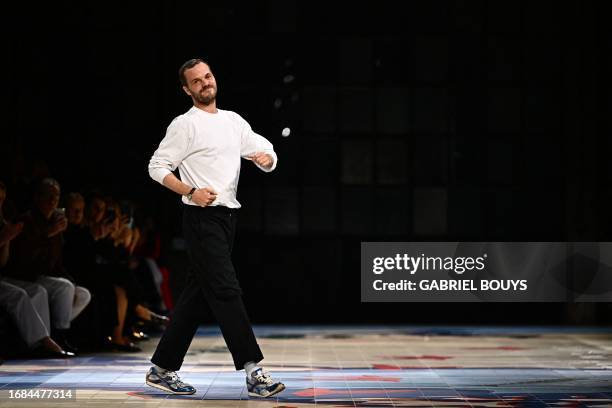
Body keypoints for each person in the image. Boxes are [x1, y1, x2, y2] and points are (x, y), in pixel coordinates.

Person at [146, 58, 285, 398]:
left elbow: (262, 147)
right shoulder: (185, 125)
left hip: (227, 219)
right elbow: (157, 166)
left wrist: (267, 159)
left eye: (207, 76)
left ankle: (161, 368)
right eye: (196, 81)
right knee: (225, 290)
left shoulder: (232, 121)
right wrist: (190, 191)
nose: (205, 83)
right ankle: (254, 372)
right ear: (187, 89)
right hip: (201, 218)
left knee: (197, 296)